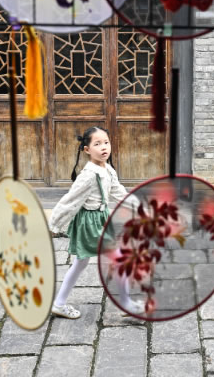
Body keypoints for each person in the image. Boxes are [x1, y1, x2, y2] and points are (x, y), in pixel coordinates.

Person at [48, 126, 141, 318]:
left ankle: (58, 304)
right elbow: (70, 201)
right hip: (90, 223)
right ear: (87, 150)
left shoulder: (107, 169)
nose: (104, 147)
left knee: (81, 263)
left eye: (106, 142)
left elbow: (118, 192)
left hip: (101, 219)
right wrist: (54, 225)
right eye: (97, 144)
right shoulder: (89, 175)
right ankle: (126, 305)